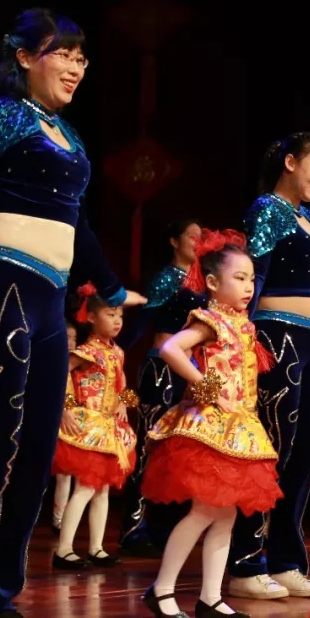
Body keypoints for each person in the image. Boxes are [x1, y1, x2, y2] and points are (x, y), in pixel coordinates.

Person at [0, 7, 146, 617]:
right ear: (24, 57)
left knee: (36, 452)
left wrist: (113, 290)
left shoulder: (69, 135)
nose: (76, 66)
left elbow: (78, 226)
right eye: (63, 53)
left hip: (49, 301)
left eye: (82, 57)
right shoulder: (0, 115)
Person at [227, 133, 310, 601]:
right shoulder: (268, 210)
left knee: (302, 453)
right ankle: (246, 563)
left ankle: (285, 561)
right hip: (276, 337)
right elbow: (253, 274)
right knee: (272, 448)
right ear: (289, 163)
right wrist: (238, 328)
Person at [142, 228, 281, 618]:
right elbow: (170, 348)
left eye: (251, 278)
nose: (248, 286)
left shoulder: (244, 325)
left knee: (227, 514)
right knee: (204, 511)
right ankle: (162, 589)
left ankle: (211, 597)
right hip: (210, 425)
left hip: (238, 425)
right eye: (239, 277)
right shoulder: (211, 320)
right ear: (213, 283)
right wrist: (205, 386)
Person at [118, 218, 204, 556]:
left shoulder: (203, 280)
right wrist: (113, 353)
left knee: (180, 449)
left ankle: (166, 526)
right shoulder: (168, 278)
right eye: (192, 236)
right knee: (149, 445)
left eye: (202, 237)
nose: (198, 242)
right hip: (161, 370)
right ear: (174, 241)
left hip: (191, 371)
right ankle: (134, 528)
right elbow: (141, 322)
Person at [51, 283, 138, 570]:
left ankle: (96, 547)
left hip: (108, 427)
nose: (117, 321)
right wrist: (65, 407)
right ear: (90, 317)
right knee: (86, 487)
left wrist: (123, 402)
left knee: (102, 490)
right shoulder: (86, 351)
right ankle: (63, 549)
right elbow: (60, 372)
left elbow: (122, 382)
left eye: (120, 316)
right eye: (110, 315)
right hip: (88, 423)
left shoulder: (118, 352)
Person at [50, 318, 79, 535]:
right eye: (67, 337)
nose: (70, 342)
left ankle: (59, 520)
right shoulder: (53, 361)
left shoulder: (80, 362)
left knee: (66, 473)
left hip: (72, 423)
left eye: (74, 338)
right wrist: (63, 410)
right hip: (53, 420)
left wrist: (124, 402)